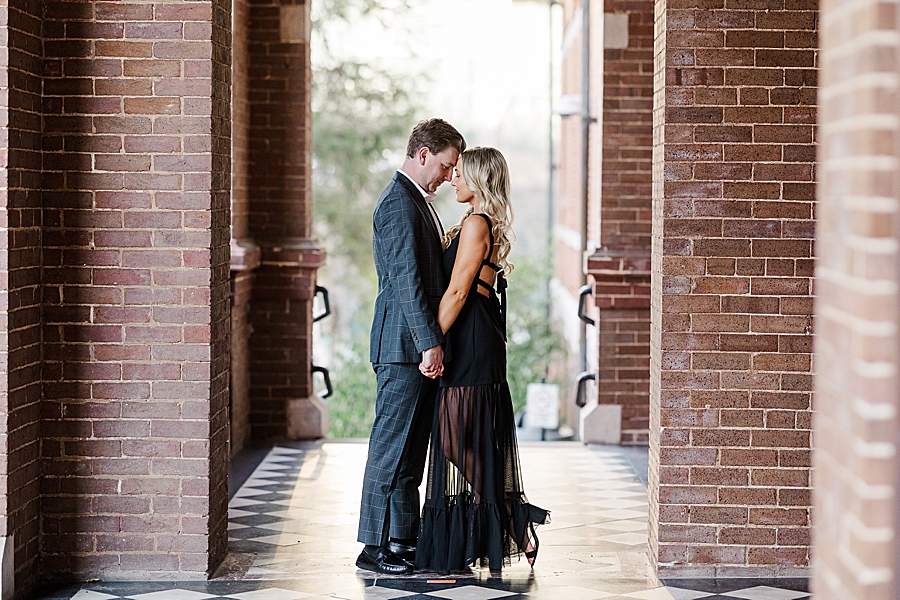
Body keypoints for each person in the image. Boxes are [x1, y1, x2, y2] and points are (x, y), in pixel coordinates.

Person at [415, 147, 549, 573]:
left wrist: (427, 340)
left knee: (454, 438)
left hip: (472, 339)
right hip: (472, 336)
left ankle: (510, 515)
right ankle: (514, 516)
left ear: (478, 180)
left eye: (459, 173)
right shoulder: (470, 222)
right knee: (463, 439)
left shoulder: (476, 223)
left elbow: (457, 292)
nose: (453, 178)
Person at [356, 119, 466, 575]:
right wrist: (429, 343)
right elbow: (406, 282)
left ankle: (401, 540)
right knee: (391, 449)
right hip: (403, 347)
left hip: (412, 345)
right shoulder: (399, 203)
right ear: (423, 155)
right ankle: (374, 548)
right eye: (444, 166)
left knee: (411, 450)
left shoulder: (416, 201)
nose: (447, 176)